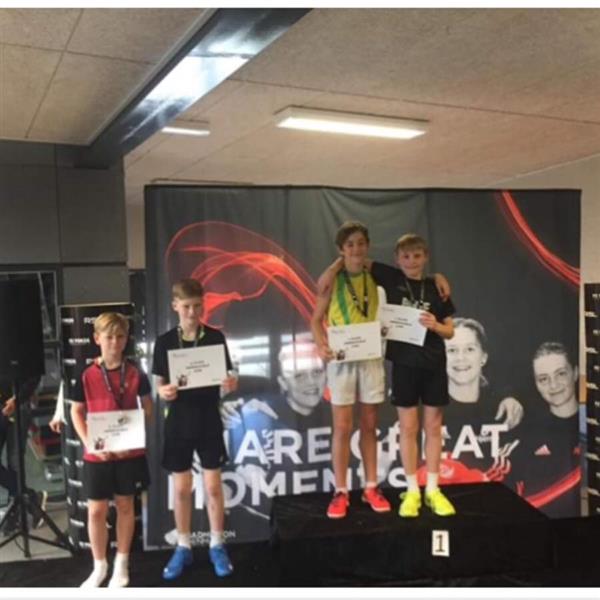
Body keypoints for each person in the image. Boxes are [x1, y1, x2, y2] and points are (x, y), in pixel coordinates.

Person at [152, 278, 238, 579]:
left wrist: (231, 383)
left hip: (208, 418)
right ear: (175, 305)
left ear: (204, 305)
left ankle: (217, 544)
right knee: (181, 488)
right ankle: (183, 546)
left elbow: (228, 377)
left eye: (197, 306)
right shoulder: (164, 342)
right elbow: (158, 385)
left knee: (213, 486)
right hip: (178, 420)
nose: (192, 312)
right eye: (187, 306)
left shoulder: (215, 337)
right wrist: (163, 392)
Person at [367, 234, 457, 517]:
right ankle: (412, 490)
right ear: (397, 259)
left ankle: (433, 489)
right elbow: (357, 261)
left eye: (417, 256)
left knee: (433, 427)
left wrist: (435, 325)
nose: (411, 261)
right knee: (407, 428)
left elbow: (450, 330)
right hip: (404, 365)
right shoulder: (391, 277)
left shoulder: (436, 288)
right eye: (405, 256)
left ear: (425, 257)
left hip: (433, 364)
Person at [311, 221, 392, 519]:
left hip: (370, 357)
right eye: (350, 245)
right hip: (341, 358)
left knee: (369, 424)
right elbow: (315, 320)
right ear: (341, 249)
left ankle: (371, 487)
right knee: (343, 427)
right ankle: (341, 491)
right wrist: (321, 344)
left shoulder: (376, 276)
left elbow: (408, 278)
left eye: (360, 243)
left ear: (367, 245)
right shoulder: (333, 279)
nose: (356, 249)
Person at [70, 312, 152, 588]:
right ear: (97, 339)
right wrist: (89, 442)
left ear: (126, 339)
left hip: (128, 453)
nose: (114, 342)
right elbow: (76, 412)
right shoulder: (85, 374)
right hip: (97, 453)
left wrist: (132, 437)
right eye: (109, 337)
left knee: (126, 506)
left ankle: (121, 564)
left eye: (120, 336)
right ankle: (99, 566)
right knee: (96, 511)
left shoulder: (136, 373)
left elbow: (148, 408)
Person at [442, 318, 523, 484]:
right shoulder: (426, 409)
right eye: (452, 350)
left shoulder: (505, 411)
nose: (460, 358)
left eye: (469, 349)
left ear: (483, 357)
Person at [516, 341, 581, 517]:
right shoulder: (527, 433)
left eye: (560, 374)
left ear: (575, 373)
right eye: (544, 379)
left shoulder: (591, 424)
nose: (553, 385)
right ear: (536, 384)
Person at [0, 374, 47, 536]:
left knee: (15, 459)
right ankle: (30, 498)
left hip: (17, 404)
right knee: (14, 459)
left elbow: (33, 374)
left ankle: (15, 512)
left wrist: (17, 399)